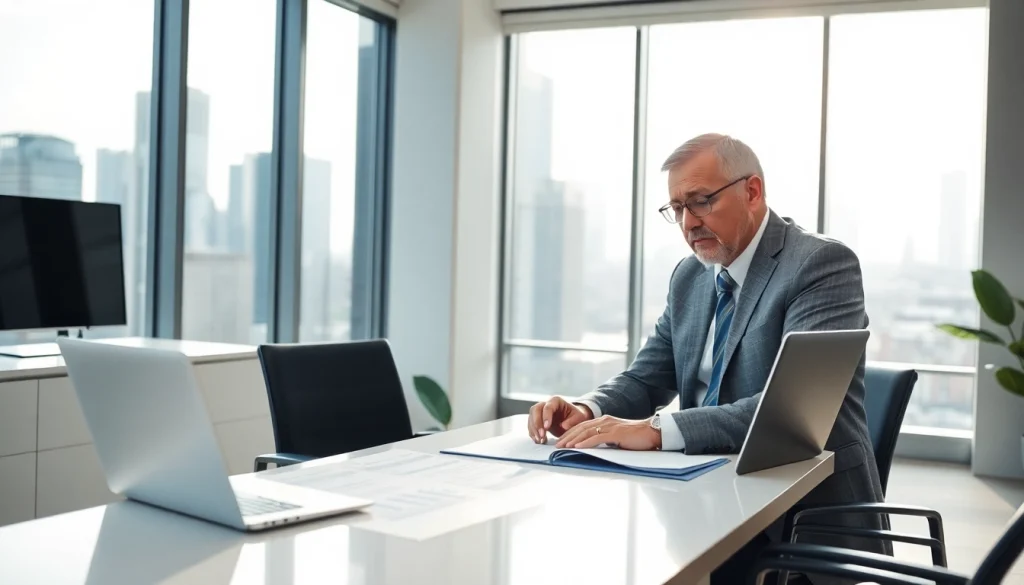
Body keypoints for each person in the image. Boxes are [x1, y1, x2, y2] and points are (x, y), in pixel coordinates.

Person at [526, 133, 888, 585]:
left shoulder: (819, 264)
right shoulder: (690, 277)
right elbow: (648, 377)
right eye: (676, 208)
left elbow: (790, 412)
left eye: (700, 201)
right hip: (698, 497)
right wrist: (588, 408)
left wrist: (657, 431)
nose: (687, 222)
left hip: (799, 513)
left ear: (752, 192)